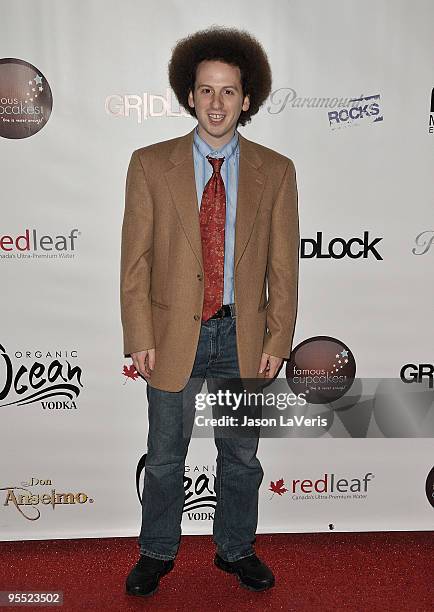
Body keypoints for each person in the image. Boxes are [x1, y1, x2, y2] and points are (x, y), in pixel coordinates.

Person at [120, 25, 299, 597]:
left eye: (228, 91)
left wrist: (277, 339)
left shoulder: (277, 171)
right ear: (189, 95)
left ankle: (235, 548)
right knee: (166, 456)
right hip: (172, 334)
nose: (216, 103)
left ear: (247, 99)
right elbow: (136, 262)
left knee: (241, 457)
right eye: (206, 90)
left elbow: (283, 268)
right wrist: (138, 333)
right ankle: (156, 551)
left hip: (242, 336)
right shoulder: (149, 165)